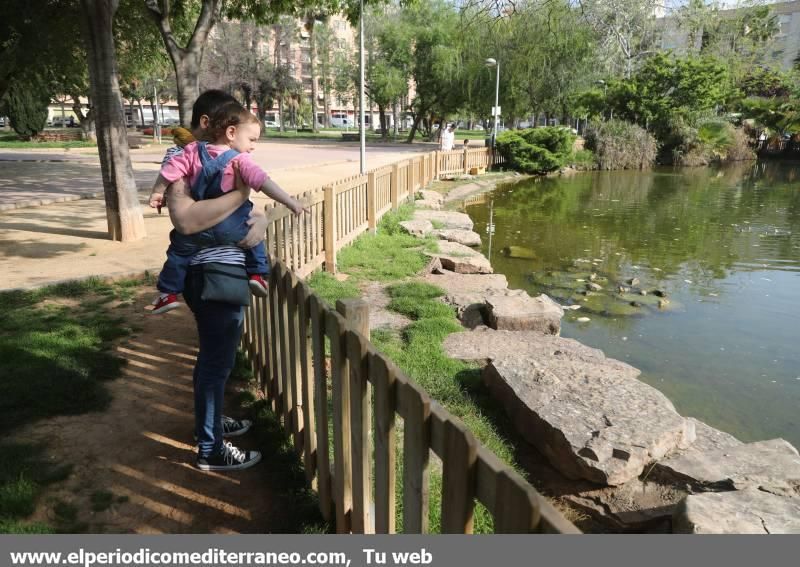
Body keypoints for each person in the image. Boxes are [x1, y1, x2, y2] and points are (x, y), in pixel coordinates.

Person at [149, 100, 307, 315]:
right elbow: (265, 183)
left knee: (177, 252)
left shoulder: (192, 151)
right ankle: (258, 274)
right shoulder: (241, 161)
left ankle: (167, 293)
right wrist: (290, 202)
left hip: (197, 232)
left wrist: (158, 192)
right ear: (231, 132)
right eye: (251, 139)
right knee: (254, 239)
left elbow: (169, 172)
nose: (253, 146)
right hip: (231, 228)